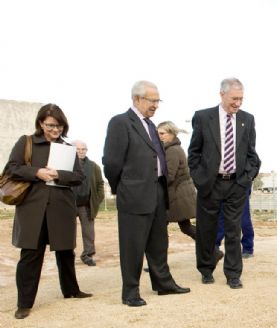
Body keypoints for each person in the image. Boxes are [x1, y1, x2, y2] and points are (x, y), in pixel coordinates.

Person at [103, 80, 190, 307]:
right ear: (137, 99)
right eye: (152, 101)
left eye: (158, 101)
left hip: (158, 193)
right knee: (132, 245)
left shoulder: (151, 126)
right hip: (134, 195)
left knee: (158, 243)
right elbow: (111, 163)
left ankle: (163, 283)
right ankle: (130, 292)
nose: (156, 105)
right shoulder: (120, 123)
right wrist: (121, 187)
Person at [4, 104, 92, 319]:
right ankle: (24, 303)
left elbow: (79, 177)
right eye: (51, 125)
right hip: (33, 207)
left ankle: (71, 290)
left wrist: (58, 175)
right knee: (31, 254)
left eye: (60, 126)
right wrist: (38, 172)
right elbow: (12, 168)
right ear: (41, 123)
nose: (56, 130)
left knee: (65, 251)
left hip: (61, 206)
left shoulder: (68, 148)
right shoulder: (26, 142)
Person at [188, 77, 261, 289]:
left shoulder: (248, 119)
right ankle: (206, 268)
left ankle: (233, 274)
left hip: (236, 185)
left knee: (233, 230)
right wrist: (200, 179)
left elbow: (251, 155)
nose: (238, 103)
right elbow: (193, 153)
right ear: (222, 94)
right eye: (234, 98)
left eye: (241, 99)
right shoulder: (203, 117)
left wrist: (246, 179)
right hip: (209, 184)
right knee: (206, 230)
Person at [157, 121, 224, 268]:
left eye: (162, 133)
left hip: (176, 197)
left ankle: (158, 264)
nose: (159, 136)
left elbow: (169, 176)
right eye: (158, 133)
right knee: (185, 227)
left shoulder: (172, 150)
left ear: (171, 134)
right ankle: (213, 252)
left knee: (159, 230)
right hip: (179, 196)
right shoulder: (172, 148)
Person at [72, 140, 105, 267]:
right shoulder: (66, 164)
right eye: (78, 149)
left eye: (83, 149)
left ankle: (87, 255)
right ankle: (69, 254)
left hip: (86, 205)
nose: (81, 151)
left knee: (89, 232)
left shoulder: (94, 166)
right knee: (69, 232)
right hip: (70, 204)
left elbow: (100, 184)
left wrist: (97, 199)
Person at [215, 186, 254, 258]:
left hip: (242, 185)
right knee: (221, 218)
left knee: (244, 219)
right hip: (223, 184)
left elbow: (254, 173)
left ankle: (248, 248)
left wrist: (248, 177)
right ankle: (215, 246)